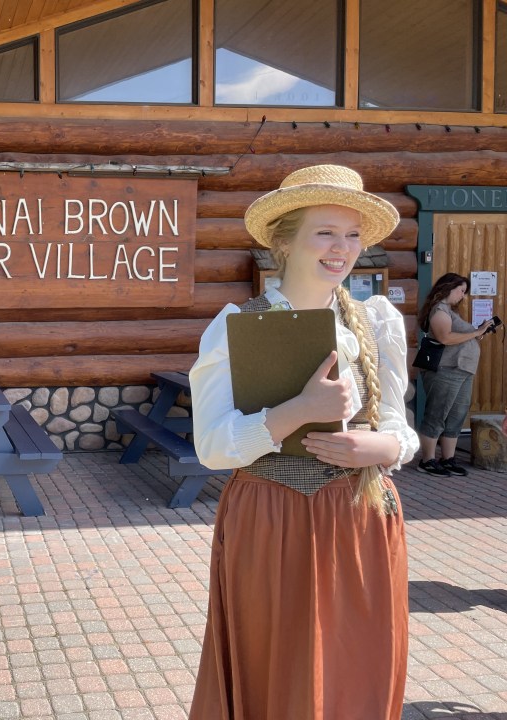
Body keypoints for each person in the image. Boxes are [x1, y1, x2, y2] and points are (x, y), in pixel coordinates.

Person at [187, 165, 418, 720]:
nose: (343, 248)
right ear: (285, 242)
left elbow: (399, 425)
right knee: (278, 668)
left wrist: (383, 450)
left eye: (352, 234)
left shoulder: (377, 321)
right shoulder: (238, 325)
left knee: (356, 670)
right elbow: (211, 447)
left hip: (361, 516)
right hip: (272, 518)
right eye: (325, 232)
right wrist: (298, 412)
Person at [415, 273, 493, 477]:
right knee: (437, 414)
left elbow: (459, 337)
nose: (463, 296)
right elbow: (445, 338)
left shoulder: (450, 311)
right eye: (461, 291)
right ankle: (427, 460)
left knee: (456, 416)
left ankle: (447, 459)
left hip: (463, 370)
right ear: (448, 288)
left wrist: (476, 333)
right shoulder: (439, 310)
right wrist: (476, 332)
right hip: (446, 369)